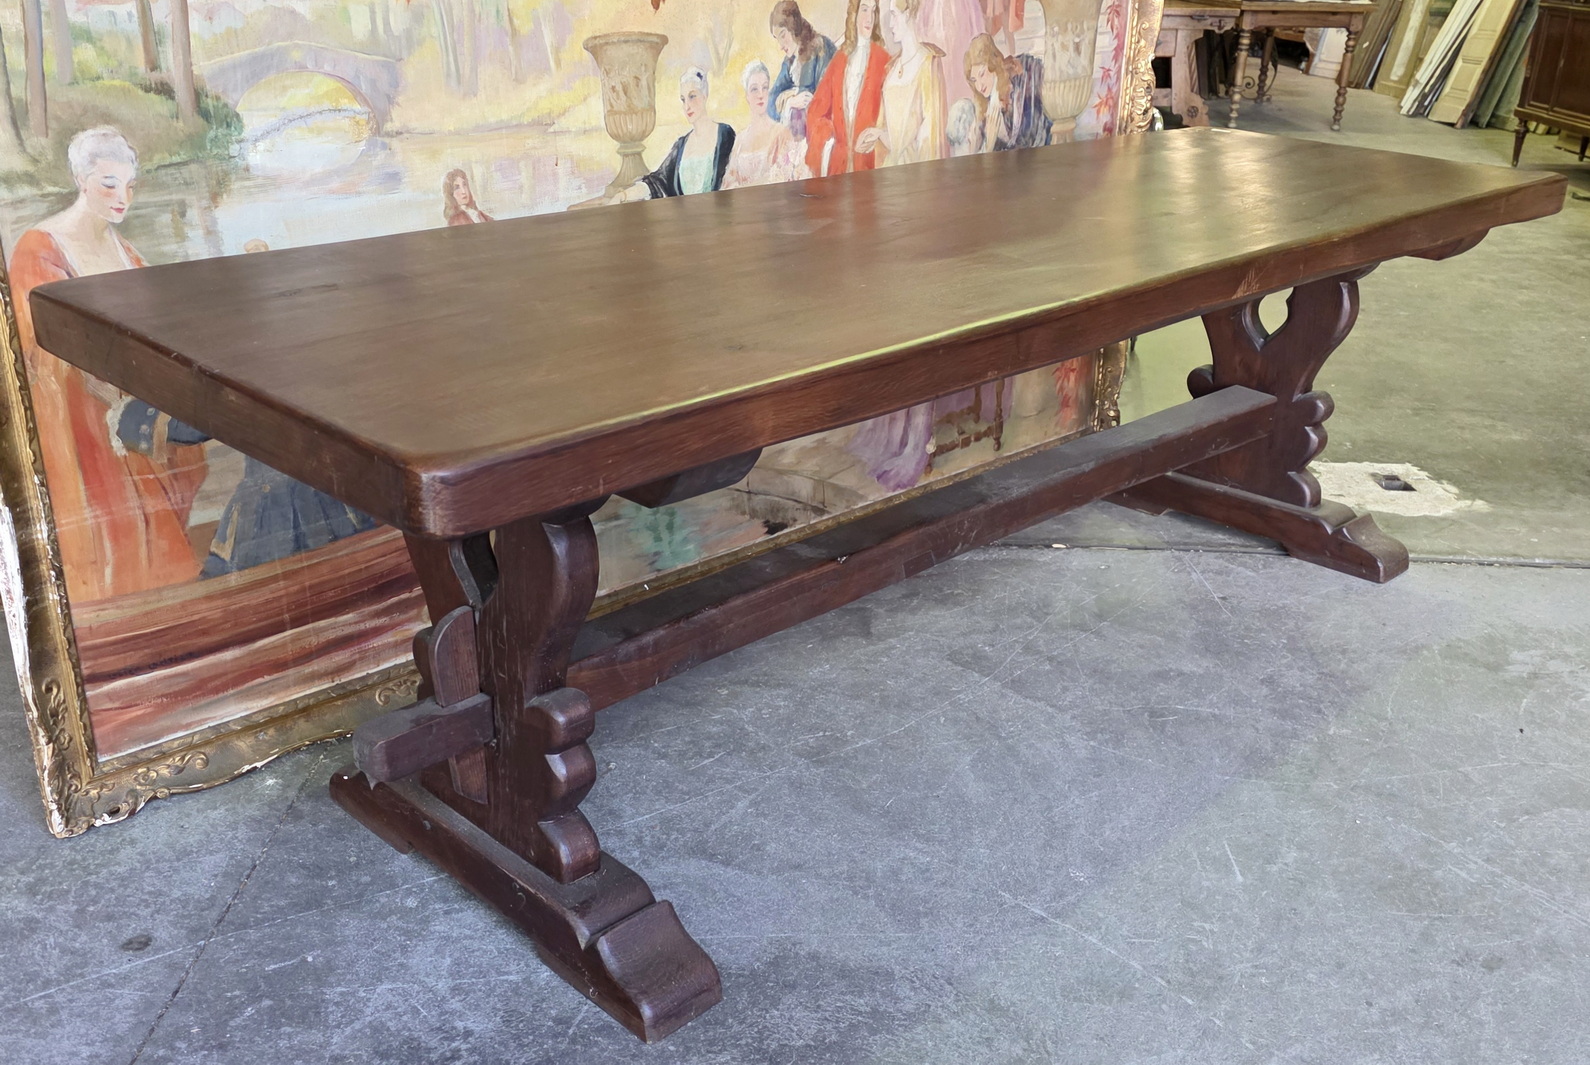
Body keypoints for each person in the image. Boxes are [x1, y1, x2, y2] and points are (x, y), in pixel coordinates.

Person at [7, 127, 208, 603]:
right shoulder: (40, 248)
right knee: (113, 515)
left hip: (131, 395)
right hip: (78, 415)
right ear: (82, 180)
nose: (123, 198)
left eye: (130, 185)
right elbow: (39, 342)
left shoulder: (125, 250)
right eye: (109, 184)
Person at [608, 69, 736, 201]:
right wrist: (623, 196)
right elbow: (657, 181)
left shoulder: (724, 134)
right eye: (683, 100)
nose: (687, 106)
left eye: (692, 96)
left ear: (705, 95)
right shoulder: (681, 145)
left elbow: (734, 179)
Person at [856, 0, 949, 167]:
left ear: (907, 14)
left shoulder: (928, 63)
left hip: (916, 170)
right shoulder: (891, 68)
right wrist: (877, 135)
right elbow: (889, 131)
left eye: (894, 15)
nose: (890, 24)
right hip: (890, 168)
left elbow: (930, 137)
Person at [805, 0, 891, 177]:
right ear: (854, 15)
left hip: (870, 166)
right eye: (864, 10)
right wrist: (832, 137)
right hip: (839, 167)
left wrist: (878, 135)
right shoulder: (839, 60)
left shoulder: (884, 60)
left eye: (873, 11)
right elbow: (815, 111)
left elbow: (894, 120)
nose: (869, 18)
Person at [723, 61, 812, 188]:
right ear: (747, 96)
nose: (760, 95)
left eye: (764, 88)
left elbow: (783, 178)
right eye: (754, 89)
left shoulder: (782, 133)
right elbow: (728, 184)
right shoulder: (740, 140)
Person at [964, 33, 1051, 152]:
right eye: (974, 80)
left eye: (982, 74)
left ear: (993, 64)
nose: (979, 86)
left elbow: (1031, 135)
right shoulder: (984, 105)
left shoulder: (1019, 81)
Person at [766, 1, 836, 125]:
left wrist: (790, 95)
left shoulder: (821, 49)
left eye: (783, 35)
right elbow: (770, 103)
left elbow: (824, 100)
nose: (781, 46)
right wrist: (791, 102)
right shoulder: (790, 62)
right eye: (777, 39)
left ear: (794, 27)